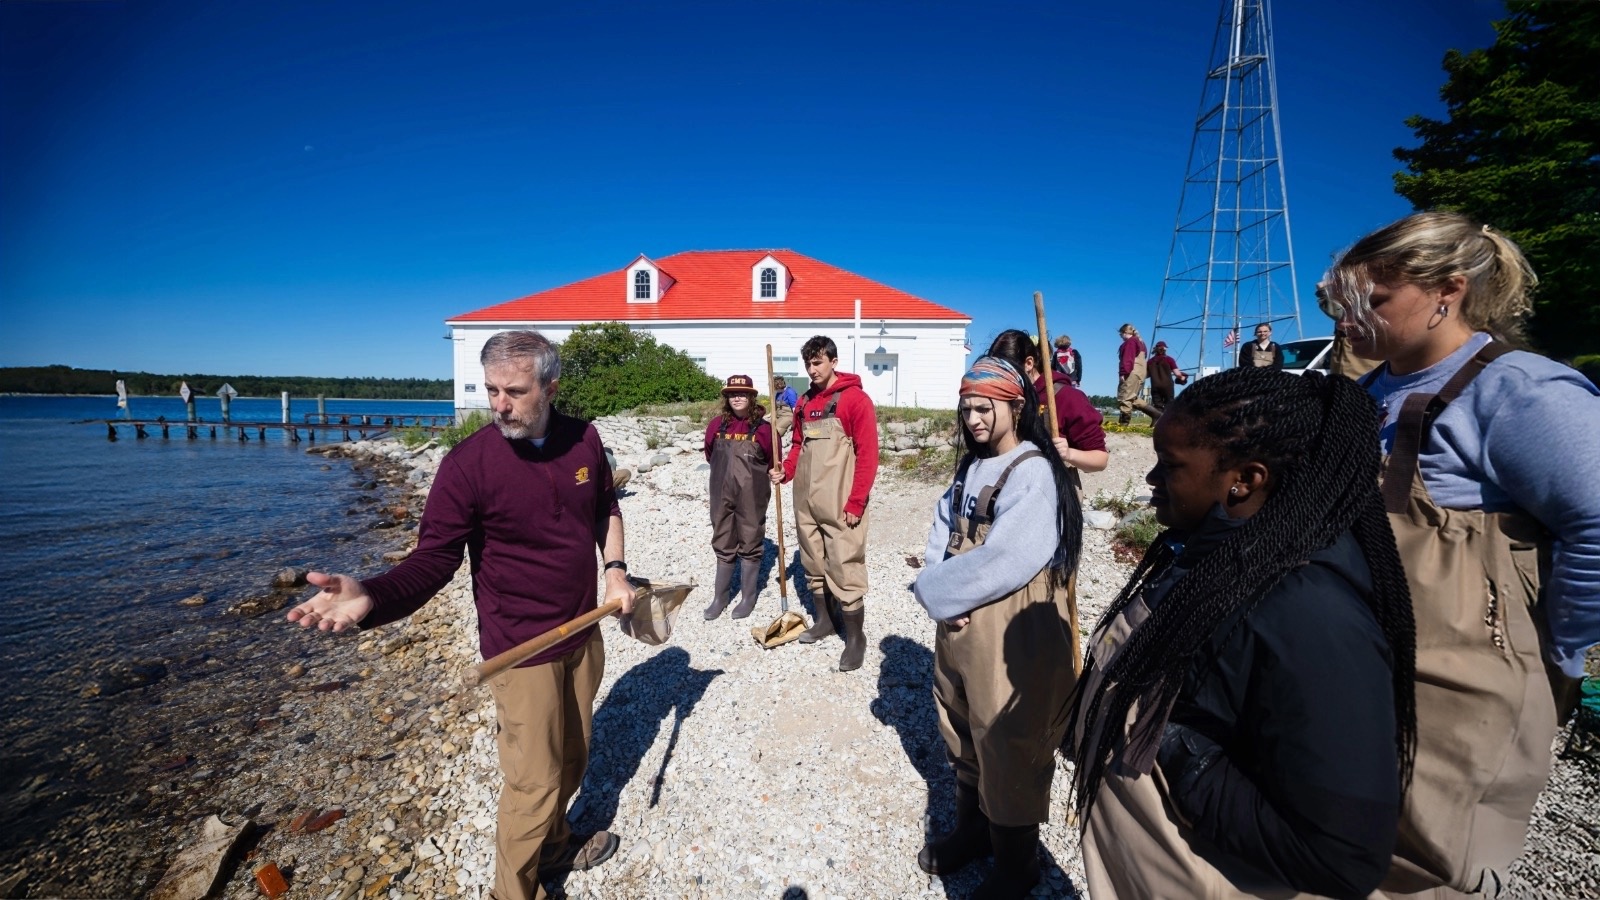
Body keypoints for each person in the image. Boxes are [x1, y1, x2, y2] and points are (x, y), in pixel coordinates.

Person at [286, 331, 634, 900]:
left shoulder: (585, 440)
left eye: (515, 391)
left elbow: (604, 508)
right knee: (534, 782)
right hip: (519, 649)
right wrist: (372, 595)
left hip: (582, 627)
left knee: (573, 759)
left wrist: (615, 568)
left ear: (550, 387)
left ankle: (555, 846)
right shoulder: (466, 465)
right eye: (490, 389)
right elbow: (433, 561)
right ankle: (512, 892)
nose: (499, 405)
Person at [1322, 211, 1600, 895]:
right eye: (1343, 304)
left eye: (1373, 301)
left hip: (1465, 689)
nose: (1350, 320)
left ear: (1447, 290)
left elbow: (1595, 525)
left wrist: (1552, 659)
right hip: (1364, 666)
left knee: (1429, 869)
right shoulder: (1368, 392)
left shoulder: (1522, 391)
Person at [1067, 366, 1417, 899]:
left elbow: (1343, 855)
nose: (1150, 481)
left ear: (1245, 480)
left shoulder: (1308, 616)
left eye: (1170, 466)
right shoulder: (1217, 552)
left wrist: (1168, 743)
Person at [911, 356, 1084, 899]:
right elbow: (943, 526)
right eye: (967, 409)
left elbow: (1010, 556)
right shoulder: (971, 466)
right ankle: (975, 831)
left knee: (1006, 735)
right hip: (959, 614)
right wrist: (936, 584)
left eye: (985, 408)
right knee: (959, 717)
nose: (974, 420)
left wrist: (941, 593)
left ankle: (1017, 865)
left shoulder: (1031, 472)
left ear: (1016, 406)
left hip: (1005, 618)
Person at [771, 335, 879, 672]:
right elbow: (798, 445)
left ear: (833, 361)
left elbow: (868, 455)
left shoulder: (855, 400)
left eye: (817, 362)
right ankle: (824, 621)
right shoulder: (804, 403)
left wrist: (857, 501)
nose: (812, 369)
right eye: (808, 364)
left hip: (840, 500)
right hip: (805, 498)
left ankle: (855, 638)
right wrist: (784, 473)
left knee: (845, 564)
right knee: (813, 561)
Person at [702, 374, 774, 621]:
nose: (737, 398)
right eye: (733, 394)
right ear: (727, 398)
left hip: (752, 494)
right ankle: (720, 597)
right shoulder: (716, 425)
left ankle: (747, 597)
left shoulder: (765, 430)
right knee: (722, 538)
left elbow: (773, 461)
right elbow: (709, 454)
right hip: (721, 491)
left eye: (743, 393)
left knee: (750, 539)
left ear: (752, 397)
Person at [986, 329, 1108, 474]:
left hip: (1055, 489)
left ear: (1029, 363)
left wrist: (1068, 453)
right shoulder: (1003, 397)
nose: (1001, 378)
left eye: (1007, 370)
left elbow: (1100, 460)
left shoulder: (1068, 398)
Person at [1140, 340, 1186, 417]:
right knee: (1169, 405)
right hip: (1168, 386)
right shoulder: (1169, 359)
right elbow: (1177, 374)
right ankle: (1168, 422)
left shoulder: (1150, 362)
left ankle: (1157, 421)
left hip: (1155, 386)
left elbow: (1145, 375)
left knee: (1158, 406)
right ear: (1165, 349)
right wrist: (1183, 377)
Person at [1115, 323, 1147, 426]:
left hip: (1131, 372)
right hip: (1140, 372)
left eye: (1120, 334)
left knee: (1125, 396)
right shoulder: (1140, 342)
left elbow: (1128, 358)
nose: (1120, 337)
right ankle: (1156, 414)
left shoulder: (1131, 342)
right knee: (1132, 397)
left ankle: (1124, 424)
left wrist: (1123, 373)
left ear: (1124, 333)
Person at [772, 374, 798, 446]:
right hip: (779, 415)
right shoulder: (778, 393)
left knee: (776, 430)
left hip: (787, 416)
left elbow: (794, 408)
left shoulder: (790, 392)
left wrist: (795, 421)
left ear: (779, 385)